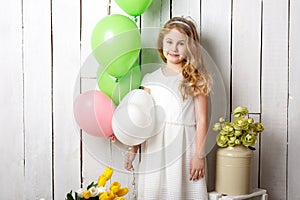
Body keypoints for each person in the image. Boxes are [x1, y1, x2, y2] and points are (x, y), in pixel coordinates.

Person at [124, 17, 211, 199]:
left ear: (190, 47)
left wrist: (199, 156)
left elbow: (202, 119)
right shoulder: (150, 79)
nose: (173, 48)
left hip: (184, 146)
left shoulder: (195, 79)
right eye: (169, 42)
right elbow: (142, 119)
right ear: (161, 43)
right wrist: (132, 150)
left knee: (182, 191)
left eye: (181, 44)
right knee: (154, 190)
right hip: (156, 145)